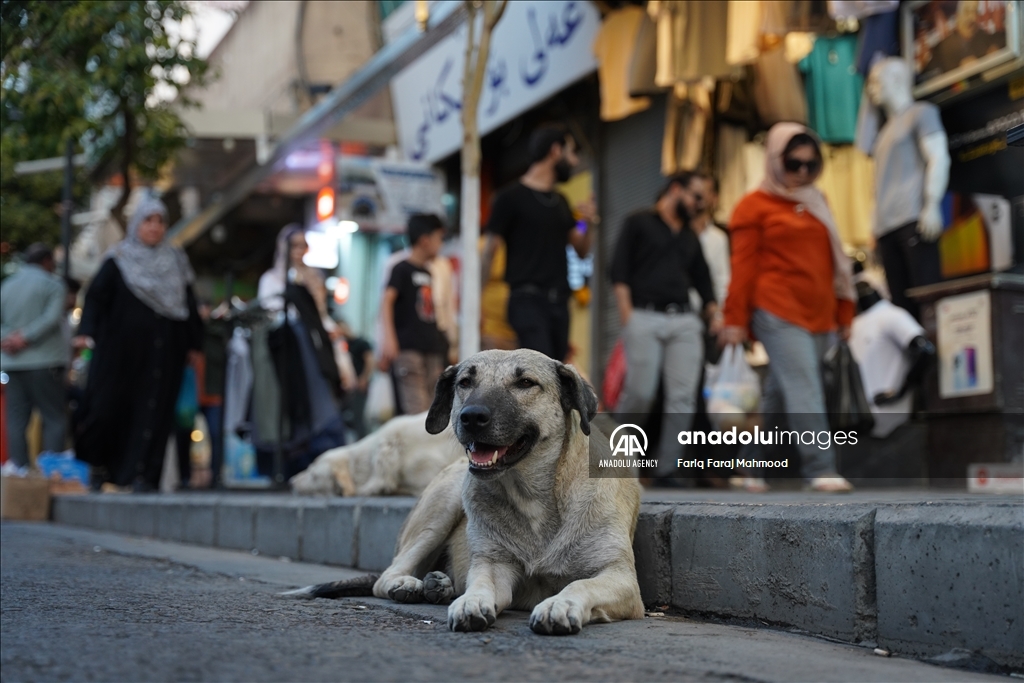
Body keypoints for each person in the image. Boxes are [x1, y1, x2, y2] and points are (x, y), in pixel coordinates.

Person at [719, 123, 856, 493]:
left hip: (820, 312)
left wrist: (845, 312)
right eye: (794, 163)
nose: (801, 172)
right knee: (804, 385)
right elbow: (743, 268)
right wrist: (734, 319)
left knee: (781, 393)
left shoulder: (818, 201)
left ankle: (749, 467)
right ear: (775, 159)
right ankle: (821, 467)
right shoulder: (752, 206)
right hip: (776, 308)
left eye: (810, 166)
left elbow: (835, 259)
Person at [73, 198, 203, 491]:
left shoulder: (176, 262)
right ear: (137, 224)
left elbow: (189, 306)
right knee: (108, 407)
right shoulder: (118, 259)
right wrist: (86, 331)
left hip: (163, 355)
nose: (155, 227)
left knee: (154, 412)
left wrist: (195, 345)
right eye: (149, 221)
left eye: (160, 221)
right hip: (119, 355)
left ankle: (144, 474)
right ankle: (102, 467)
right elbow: (95, 298)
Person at [610, 171, 720, 484]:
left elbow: (703, 279)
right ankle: (620, 462)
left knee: (682, 398)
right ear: (675, 189)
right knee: (640, 393)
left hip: (684, 321)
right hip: (645, 316)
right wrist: (627, 315)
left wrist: (713, 313)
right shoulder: (638, 222)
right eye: (695, 196)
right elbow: (619, 270)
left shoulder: (689, 236)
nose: (700, 204)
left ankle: (668, 467)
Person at [481, 125, 598, 361]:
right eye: (572, 152)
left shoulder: (561, 202)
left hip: (559, 303)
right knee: (540, 365)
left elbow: (581, 250)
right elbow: (489, 252)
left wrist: (587, 223)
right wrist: (476, 305)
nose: (575, 162)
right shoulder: (510, 197)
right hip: (526, 300)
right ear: (555, 151)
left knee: (554, 371)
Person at [257, 224, 345, 478]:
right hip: (289, 353)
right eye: (293, 245)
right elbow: (272, 316)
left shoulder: (313, 276)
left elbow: (320, 316)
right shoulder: (272, 279)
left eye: (302, 245)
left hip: (316, 351)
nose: (298, 251)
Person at [1, 244, 69, 469]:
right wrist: (26, 337)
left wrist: (9, 339)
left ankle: (19, 471)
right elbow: (51, 318)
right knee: (54, 418)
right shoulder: (53, 285)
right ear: (48, 261)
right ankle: (52, 472)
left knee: (16, 420)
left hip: (12, 362)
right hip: (46, 361)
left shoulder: (7, 285)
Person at [379, 214, 449, 415]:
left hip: (431, 348)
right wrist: (389, 339)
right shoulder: (400, 268)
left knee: (432, 408)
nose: (440, 245)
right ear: (425, 240)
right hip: (408, 348)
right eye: (439, 239)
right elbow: (386, 302)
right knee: (415, 410)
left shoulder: (429, 272)